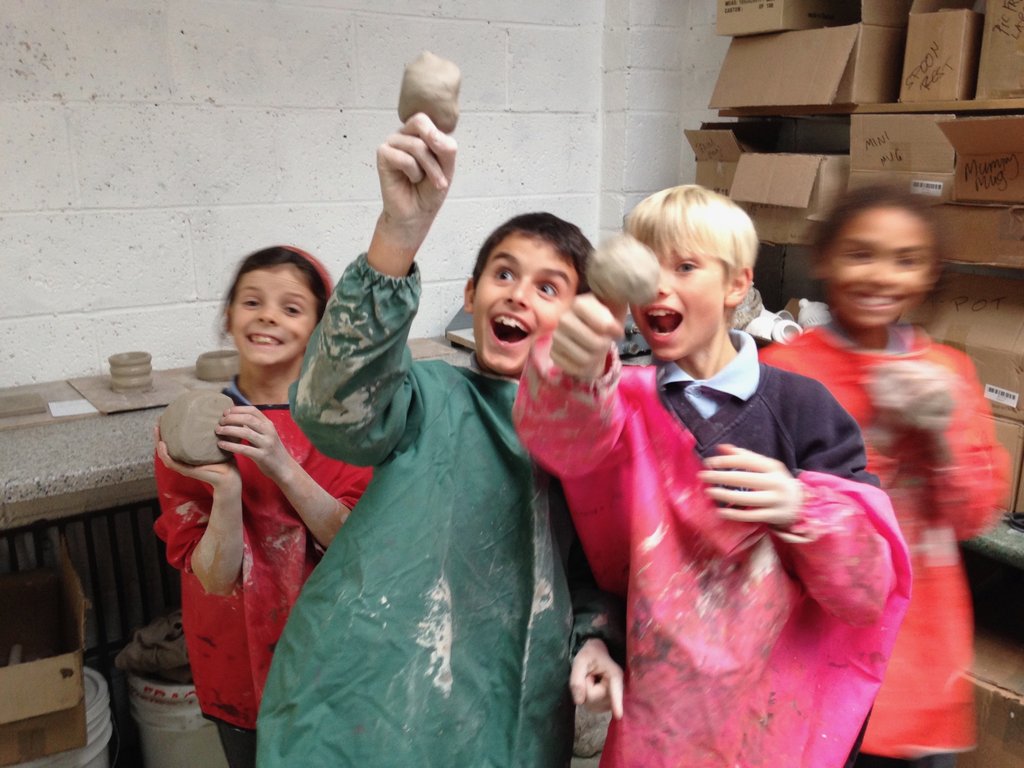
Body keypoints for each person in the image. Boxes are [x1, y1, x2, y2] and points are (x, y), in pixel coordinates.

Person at [256, 114, 621, 767]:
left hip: (501, 721)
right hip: (362, 710)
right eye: (503, 275)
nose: (518, 294)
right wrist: (400, 231)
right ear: (471, 295)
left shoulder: (590, 440)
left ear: (582, 319)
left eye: (549, 286)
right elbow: (334, 408)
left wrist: (594, 638)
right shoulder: (426, 395)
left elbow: (601, 569)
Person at [513, 184, 912, 768]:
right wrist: (594, 638)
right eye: (645, 268)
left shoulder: (805, 409)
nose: (657, 285)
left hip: (772, 723)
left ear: (736, 285)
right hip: (660, 724)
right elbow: (584, 512)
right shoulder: (618, 401)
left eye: (685, 265)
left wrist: (802, 506)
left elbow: (866, 589)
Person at [761, 184, 1010, 768]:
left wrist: (938, 434)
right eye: (861, 253)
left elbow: (975, 514)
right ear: (824, 258)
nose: (881, 276)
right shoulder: (785, 371)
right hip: (807, 649)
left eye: (907, 260)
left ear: (931, 274)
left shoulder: (947, 371)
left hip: (917, 657)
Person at [153, 245, 373, 768]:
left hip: (335, 658)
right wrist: (226, 492)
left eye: (291, 307)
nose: (269, 315)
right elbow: (212, 576)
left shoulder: (344, 424)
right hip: (234, 662)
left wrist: (280, 462)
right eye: (252, 301)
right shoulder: (191, 431)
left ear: (319, 327)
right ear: (228, 317)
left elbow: (356, 544)